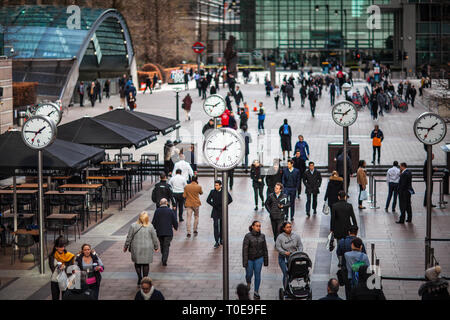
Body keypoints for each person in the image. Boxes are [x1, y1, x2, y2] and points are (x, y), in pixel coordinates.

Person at [124, 212, 159, 285]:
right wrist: (156, 247)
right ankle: (145, 279)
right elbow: (154, 238)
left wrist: (126, 246)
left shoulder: (133, 226)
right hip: (147, 248)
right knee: (146, 264)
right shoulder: (150, 226)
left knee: (137, 263)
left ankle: (139, 277)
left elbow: (129, 237)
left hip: (136, 247)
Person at [336, 225, 366, 299]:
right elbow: (364, 254)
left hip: (346, 269)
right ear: (356, 232)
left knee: (348, 288)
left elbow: (338, 253)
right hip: (357, 269)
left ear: (349, 232)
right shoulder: (359, 242)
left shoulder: (342, 241)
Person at [242, 221, 268, 300]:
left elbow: (265, 249)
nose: (258, 227)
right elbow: (245, 250)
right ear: (252, 226)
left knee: (257, 275)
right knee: (249, 274)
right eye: (257, 226)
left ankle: (256, 291)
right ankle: (248, 282)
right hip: (250, 259)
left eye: (259, 226)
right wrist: (245, 262)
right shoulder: (247, 236)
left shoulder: (262, 236)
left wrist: (266, 261)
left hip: (259, 258)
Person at [275, 221, 303, 287]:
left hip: (293, 257)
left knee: (292, 273)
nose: (289, 229)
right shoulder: (280, 237)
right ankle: (285, 289)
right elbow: (277, 247)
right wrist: (284, 252)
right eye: (287, 227)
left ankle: (290, 286)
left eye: (290, 227)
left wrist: (299, 252)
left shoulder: (296, 236)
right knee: (286, 273)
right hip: (283, 257)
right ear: (284, 228)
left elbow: (300, 245)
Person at [207, 180, 233, 248]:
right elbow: (208, 200)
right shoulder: (212, 191)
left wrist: (224, 205)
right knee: (215, 226)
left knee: (222, 226)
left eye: (217, 185)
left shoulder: (224, 191)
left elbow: (230, 199)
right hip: (215, 211)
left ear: (220, 185)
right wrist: (213, 205)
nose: (216, 186)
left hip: (222, 211)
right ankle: (216, 241)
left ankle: (221, 239)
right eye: (215, 185)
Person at [152, 199, 178, 266]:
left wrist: (154, 228)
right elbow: (174, 220)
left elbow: (154, 221)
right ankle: (164, 259)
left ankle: (163, 256)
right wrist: (176, 227)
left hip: (160, 231)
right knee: (166, 245)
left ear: (160, 203)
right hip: (168, 232)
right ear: (166, 203)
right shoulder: (170, 211)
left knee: (162, 244)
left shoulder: (157, 211)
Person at [49, 236, 75, 300]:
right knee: (55, 297)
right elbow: (52, 268)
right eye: (60, 247)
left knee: (65, 297)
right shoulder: (52, 256)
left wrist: (65, 267)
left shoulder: (69, 255)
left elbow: (71, 268)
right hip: (55, 280)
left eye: (63, 247)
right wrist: (58, 267)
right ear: (56, 247)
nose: (62, 248)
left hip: (65, 279)